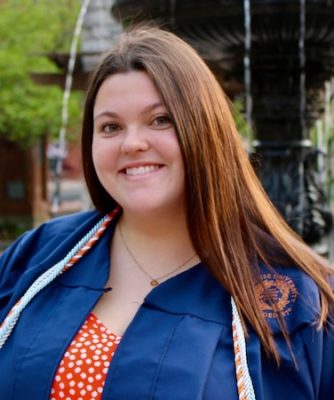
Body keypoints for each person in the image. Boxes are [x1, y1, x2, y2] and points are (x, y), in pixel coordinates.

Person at [0, 26, 333, 400]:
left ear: (205, 130)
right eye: (110, 127)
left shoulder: (300, 302)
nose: (133, 143)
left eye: (161, 120)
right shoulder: (40, 257)